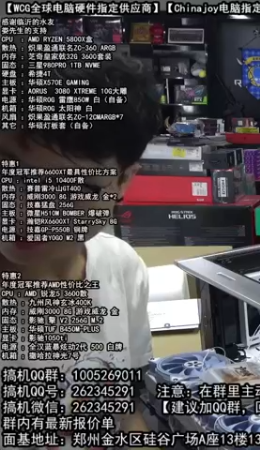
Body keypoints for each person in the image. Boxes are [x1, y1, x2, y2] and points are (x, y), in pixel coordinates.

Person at [0, 55, 161, 445]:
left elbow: (126, 409)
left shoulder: (121, 266)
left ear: (122, 181)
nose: (26, 211)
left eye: (71, 186)